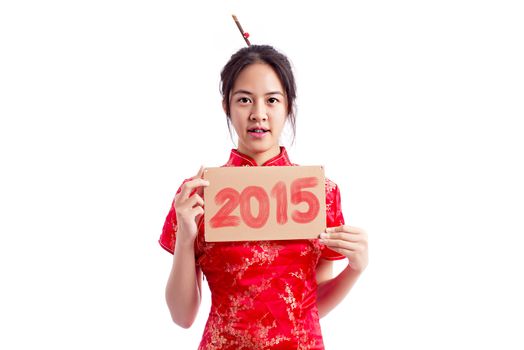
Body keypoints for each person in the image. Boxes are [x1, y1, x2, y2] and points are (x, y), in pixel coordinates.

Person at [159, 44, 368, 349]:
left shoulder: (320, 193)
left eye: (272, 100)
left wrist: (355, 269)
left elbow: (311, 305)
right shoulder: (198, 195)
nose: (258, 114)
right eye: (244, 100)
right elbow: (182, 316)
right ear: (226, 106)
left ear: (288, 107)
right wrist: (186, 237)